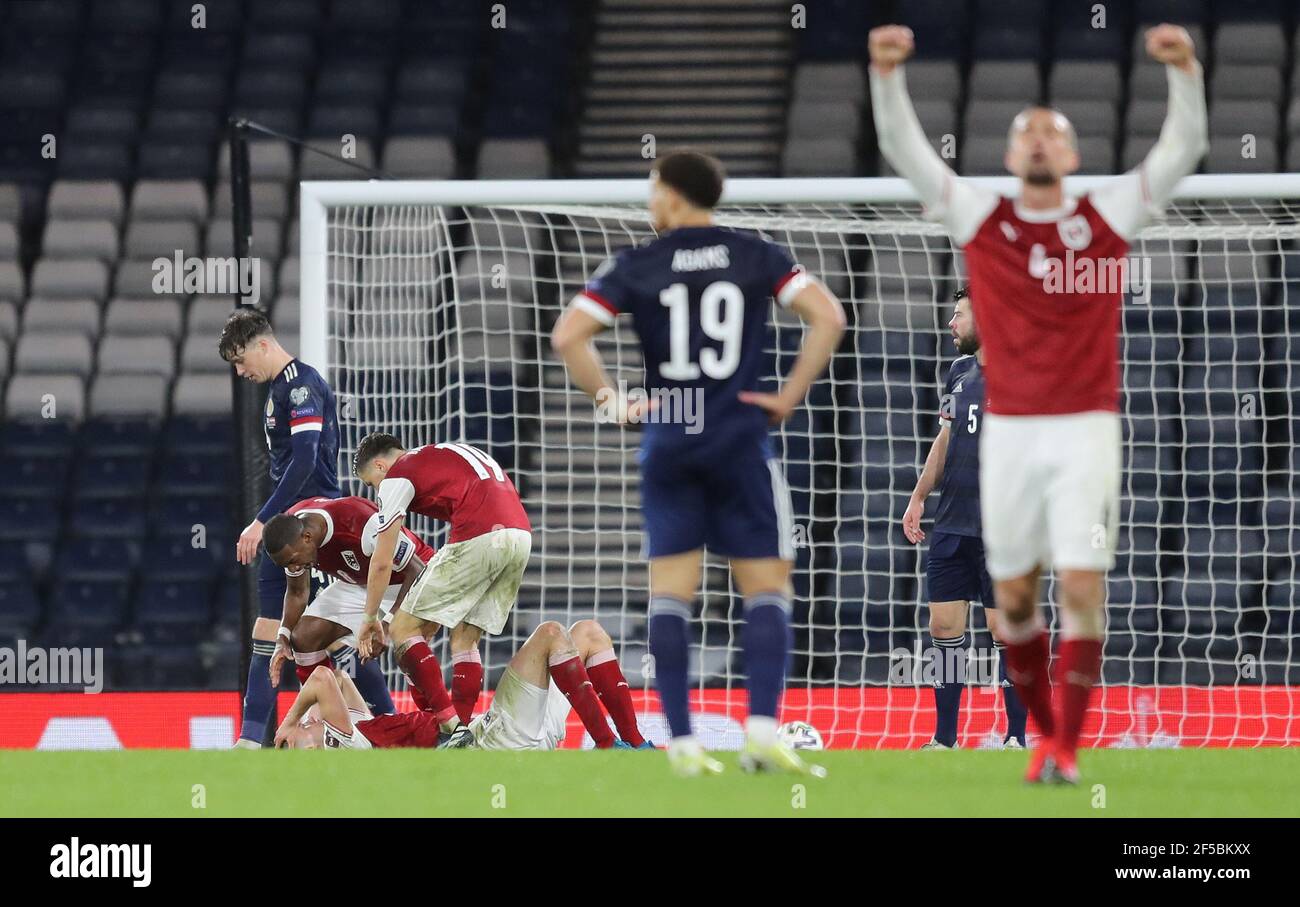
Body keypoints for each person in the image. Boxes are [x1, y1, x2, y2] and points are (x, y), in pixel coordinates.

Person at [869, 22, 1206, 782]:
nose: (1042, 143)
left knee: (1081, 584)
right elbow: (908, 155)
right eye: (1029, 134)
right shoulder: (985, 219)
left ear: (1074, 155)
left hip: (1085, 429)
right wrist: (885, 75)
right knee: (1016, 601)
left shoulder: (1107, 216)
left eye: (1054, 133)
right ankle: (1042, 731)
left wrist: (1184, 71)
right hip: (1013, 436)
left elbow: (1181, 152)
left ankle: (1060, 747)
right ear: (1013, 155)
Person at [551, 149, 845, 776]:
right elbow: (828, 316)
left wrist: (612, 403)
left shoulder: (638, 263)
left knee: (671, 595)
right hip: (739, 435)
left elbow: (567, 335)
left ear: (676, 195)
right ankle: (762, 733)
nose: (650, 200)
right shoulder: (755, 252)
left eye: (654, 188)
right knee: (766, 587)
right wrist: (789, 397)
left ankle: (683, 744)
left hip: (670, 438)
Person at [218, 308, 393, 746]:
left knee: (327, 636)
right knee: (277, 629)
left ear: (263, 344)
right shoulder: (280, 388)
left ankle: (390, 722)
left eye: (241, 360)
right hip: (290, 528)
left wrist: (262, 520)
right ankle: (251, 741)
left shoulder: (301, 385)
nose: (241, 372)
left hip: (313, 530)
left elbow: (305, 459)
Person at [903, 287, 1026, 750]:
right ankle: (945, 739)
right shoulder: (958, 371)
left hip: (1003, 529)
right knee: (944, 629)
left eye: (959, 316)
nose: (951, 325)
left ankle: (1015, 737)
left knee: (1005, 632)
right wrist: (918, 497)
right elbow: (946, 437)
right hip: (952, 521)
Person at [352, 436, 533, 736]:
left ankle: (448, 725)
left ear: (380, 465)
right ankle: (458, 737)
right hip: (520, 537)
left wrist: (370, 618)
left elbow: (383, 560)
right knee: (464, 639)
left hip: (481, 534)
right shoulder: (444, 452)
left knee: (402, 628)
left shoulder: (397, 475)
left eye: (372, 483)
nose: (376, 491)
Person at [276, 619, 651, 752]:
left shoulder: (360, 733)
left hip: (522, 736)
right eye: (303, 733)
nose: (310, 722)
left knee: (587, 633)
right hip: (495, 740)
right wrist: (289, 720)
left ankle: (635, 746)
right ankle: (609, 746)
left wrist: (336, 632)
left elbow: (338, 679)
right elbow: (323, 681)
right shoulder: (346, 747)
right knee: (551, 634)